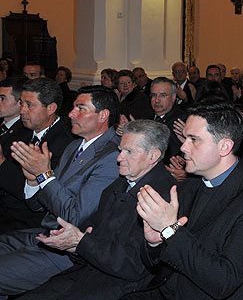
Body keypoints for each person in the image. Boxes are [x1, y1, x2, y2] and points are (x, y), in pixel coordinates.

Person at [123, 103, 243, 300]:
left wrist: (170, 229)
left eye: (194, 140)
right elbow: (156, 265)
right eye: (185, 138)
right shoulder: (188, 187)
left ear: (224, 147)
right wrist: (154, 243)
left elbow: (223, 281)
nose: (182, 147)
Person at [18, 120, 177, 300]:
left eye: (129, 152)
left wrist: (81, 242)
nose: (119, 158)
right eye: (120, 150)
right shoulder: (119, 184)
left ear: (153, 156)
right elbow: (92, 235)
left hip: (120, 288)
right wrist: (72, 243)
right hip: (88, 273)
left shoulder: (162, 197)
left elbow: (135, 265)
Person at [0, 85, 120, 298]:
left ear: (103, 115)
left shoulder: (112, 156)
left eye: (80, 108)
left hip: (69, 249)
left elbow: (74, 216)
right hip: (44, 232)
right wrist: (33, 180)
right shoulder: (74, 146)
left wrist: (44, 176)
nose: (71, 114)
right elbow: (38, 204)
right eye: (73, 107)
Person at [0, 78, 34, 233]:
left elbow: (20, 185)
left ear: (20, 102)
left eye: (2, 98)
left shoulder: (26, 134)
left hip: (12, 214)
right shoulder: (3, 127)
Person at [150, 78, 187, 167]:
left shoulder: (181, 120)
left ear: (173, 97)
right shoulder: (145, 116)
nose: (157, 100)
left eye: (162, 95)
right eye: (154, 95)